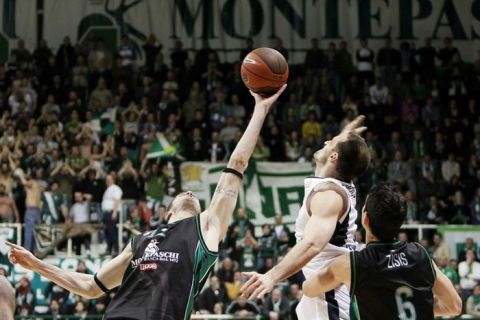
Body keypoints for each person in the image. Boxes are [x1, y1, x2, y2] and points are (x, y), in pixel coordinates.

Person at [7, 85, 287, 320]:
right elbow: (91, 286)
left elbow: (237, 164)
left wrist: (260, 111)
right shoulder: (140, 240)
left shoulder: (207, 227)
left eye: (196, 197)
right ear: (168, 212)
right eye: (182, 194)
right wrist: (36, 264)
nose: (190, 193)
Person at [241, 115, 371, 320]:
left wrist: (271, 276)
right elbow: (342, 154)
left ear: (334, 157)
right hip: (321, 290)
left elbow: (312, 244)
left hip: (331, 297)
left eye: (332, 142)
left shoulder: (329, 196)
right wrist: (345, 136)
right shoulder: (333, 184)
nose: (327, 141)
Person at [302, 184, 462, 319]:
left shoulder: (351, 264)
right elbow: (454, 306)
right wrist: (410, 311)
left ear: (365, 219)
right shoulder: (419, 254)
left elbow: (309, 289)